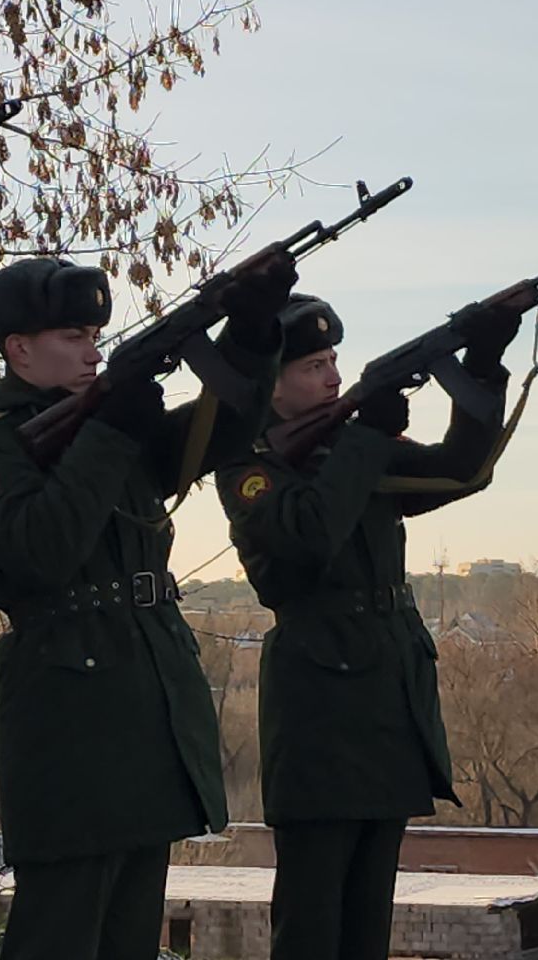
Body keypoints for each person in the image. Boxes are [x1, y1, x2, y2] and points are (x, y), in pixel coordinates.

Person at [0, 256, 293, 960]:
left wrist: (251, 337)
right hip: (69, 712)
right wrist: (110, 428)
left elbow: (219, 430)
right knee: (63, 928)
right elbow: (41, 551)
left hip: (141, 696)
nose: (92, 349)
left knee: (129, 929)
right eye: (72, 334)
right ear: (19, 349)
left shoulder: (102, 426)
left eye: (95, 333)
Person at [213, 294, 517, 960]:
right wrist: (366, 432)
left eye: (333, 362)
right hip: (319, 709)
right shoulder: (249, 463)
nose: (330, 377)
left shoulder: (347, 443)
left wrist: (481, 365)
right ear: (271, 383)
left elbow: (462, 470)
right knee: (314, 920)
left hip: (386, 695)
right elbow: (310, 537)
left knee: (368, 917)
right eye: (311, 366)